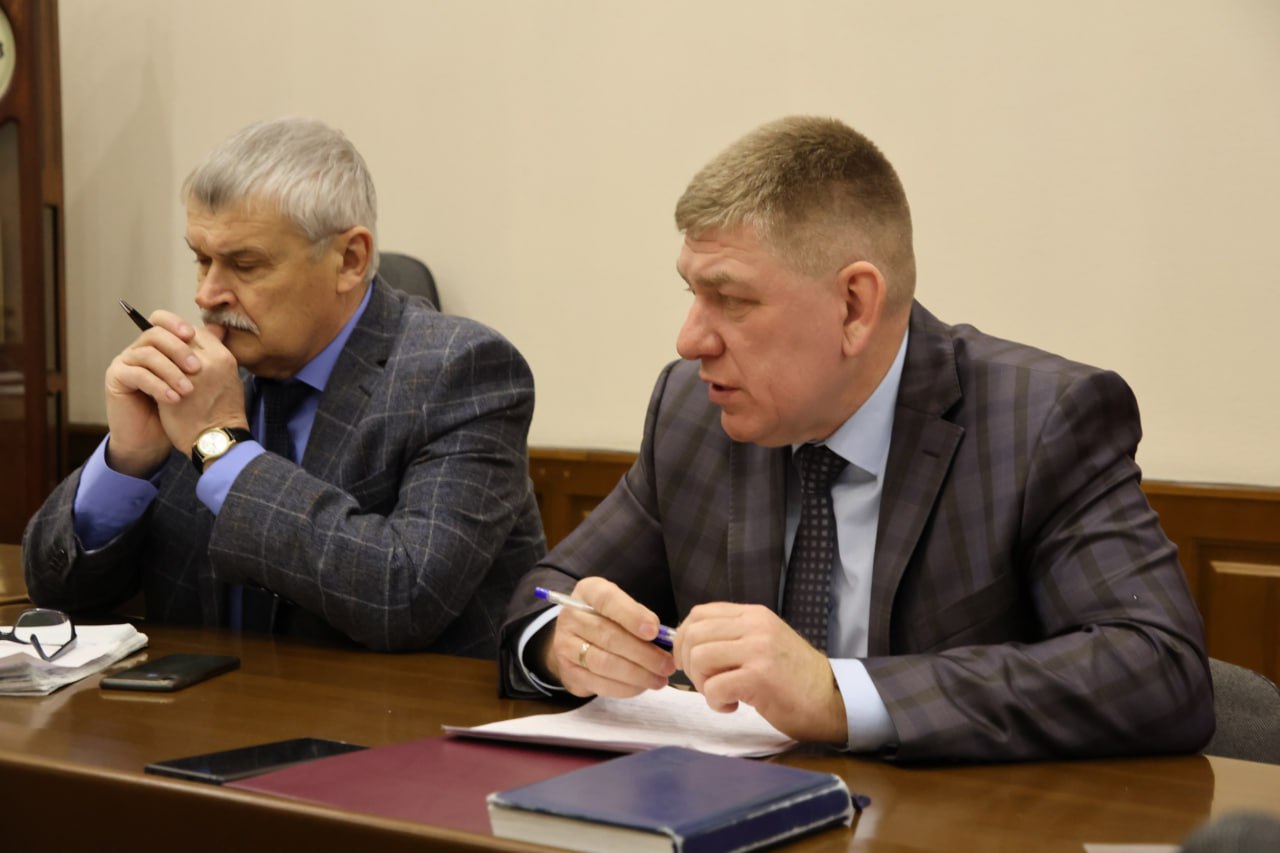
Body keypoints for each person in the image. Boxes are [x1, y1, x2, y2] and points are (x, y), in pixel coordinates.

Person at [499, 116, 1213, 761]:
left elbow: (1158, 668)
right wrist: (565, 644)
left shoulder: (1040, 421)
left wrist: (838, 693)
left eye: (732, 299)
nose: (690, 341)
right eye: (693, 292)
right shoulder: (692, 413)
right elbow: (542, 593)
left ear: (853, 305)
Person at [23, 117, 545, 656]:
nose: (207, 295)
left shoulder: (461, 372)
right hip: (202, 701)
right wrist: (128, 460)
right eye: (201, 259)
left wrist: (221, 449)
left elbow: (405, 597)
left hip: (395, 708)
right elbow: (55, 591)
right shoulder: (202, 376)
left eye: (245, 265)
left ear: (350, 260)